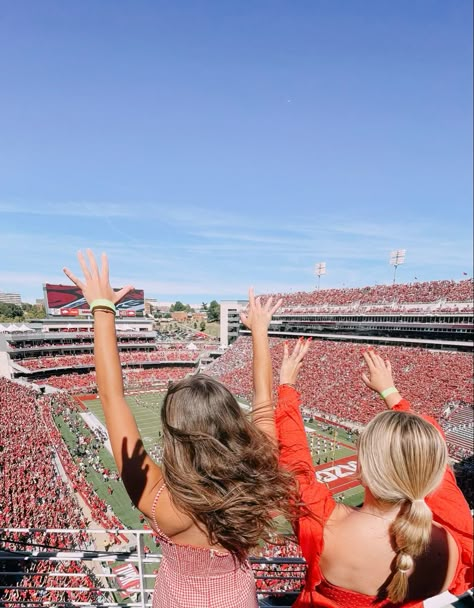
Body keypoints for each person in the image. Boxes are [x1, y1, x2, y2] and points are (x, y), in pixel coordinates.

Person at [63, 250, 295, 608]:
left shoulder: (159, 500)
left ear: (174, 434)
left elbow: (112, 399)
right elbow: (264, 400)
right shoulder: (259, 474)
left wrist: (102, 309)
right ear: (232, 422)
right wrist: (260, 333)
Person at [276, 341, 473, 607]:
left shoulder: (325, 524)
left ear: (363, 468)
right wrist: (392, 395)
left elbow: (295, 463)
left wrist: (287, 387)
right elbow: (442, 482)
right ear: (434, 472)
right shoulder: (454, 545)